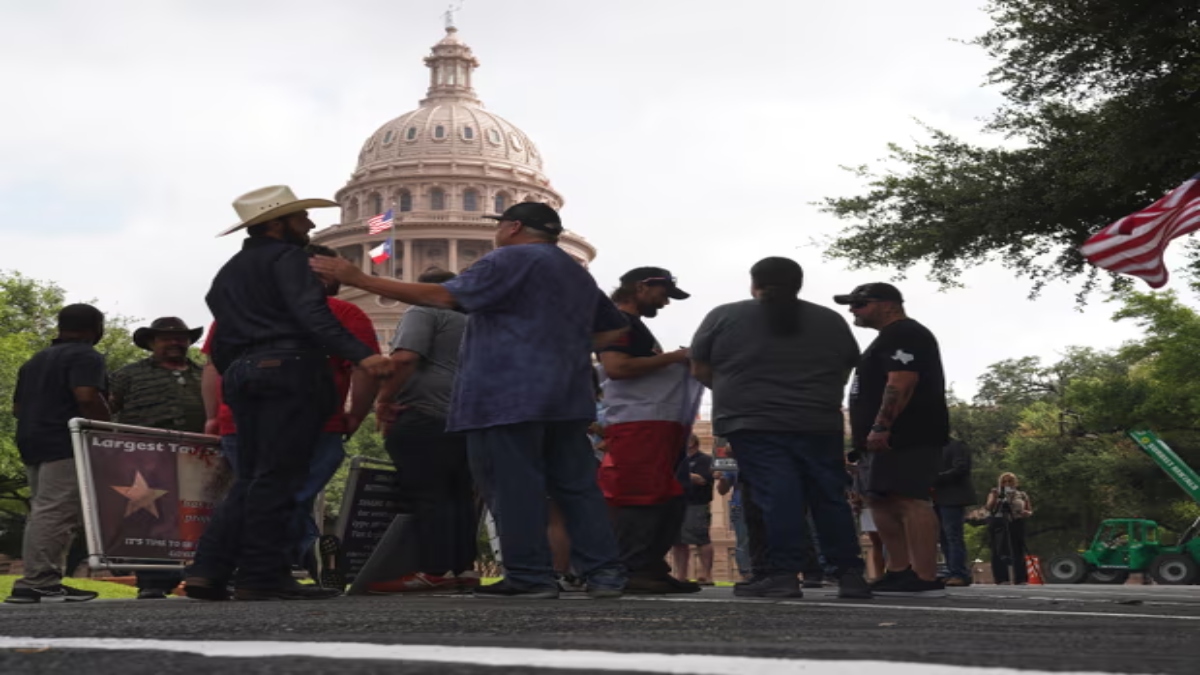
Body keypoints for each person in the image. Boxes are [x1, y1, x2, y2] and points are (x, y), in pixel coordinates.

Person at [311, 201, 628, 599]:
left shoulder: (509, 259)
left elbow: (443, 297)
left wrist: (358, 277)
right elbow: (614, 333)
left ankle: (530, 576)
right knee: (577, 487)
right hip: (566, 395)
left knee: (513, 485)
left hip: (506, 394)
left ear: (513, 227)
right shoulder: (574, 273)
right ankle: (605, 574)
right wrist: (556, 342)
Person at [185, 185, 392, 602]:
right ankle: (261, 575)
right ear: (277, 223)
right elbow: (312, 314)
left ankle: (208, 570)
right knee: (280, 479)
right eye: (301, 218)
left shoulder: (228, 272)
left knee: (254, 478)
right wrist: (361, 356)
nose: (311, 223)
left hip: (243, 375)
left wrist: (243, 370)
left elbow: (221, 343)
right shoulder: (290, 258)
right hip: (290, 371)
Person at [691, 257, 869, 599]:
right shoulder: (830, 320)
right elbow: (847, 368)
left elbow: (699, 368)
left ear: (754, 283)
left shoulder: (724, 316)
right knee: (829, 497)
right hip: (818, 421)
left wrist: (737, 392)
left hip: (752, 422)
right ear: (799, 284)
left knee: (777, 495)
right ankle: (850, 574)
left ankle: (783, 574)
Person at [836, 282, 950, 597]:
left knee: (910, 499)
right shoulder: (884, 339)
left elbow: (902, 380)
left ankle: (925, 574)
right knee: (879, 499)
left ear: (888, 304)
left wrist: (882, 425)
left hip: (909, 433)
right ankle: (899, 569)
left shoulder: (906, 333)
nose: (852, 311)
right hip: (875, 440)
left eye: (859, 304)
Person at [367, 268, 476, 594]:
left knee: (428, 495)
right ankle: (464, 569)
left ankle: (433, 569)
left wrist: (383, 401)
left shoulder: (423, 310)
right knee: (460, 497)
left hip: (425, 413)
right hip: (467, 418)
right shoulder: (475, 321)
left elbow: (405, 359)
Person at [596, 266, 702, 595]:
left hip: (655, 420)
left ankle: (650, 564)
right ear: (642, 288)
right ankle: (632, 567)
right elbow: (617, 367)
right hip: (638, 421)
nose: (665, 303)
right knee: (638, 491)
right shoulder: (618, 322)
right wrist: (675, 357)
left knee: (663, 493)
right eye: (663, 294)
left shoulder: (632, 326)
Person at [6, 304, 109, 604]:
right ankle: (40, 581)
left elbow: (17, 409)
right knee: (57, 511)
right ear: (96, 327)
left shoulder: (35, 361)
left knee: (42, 510)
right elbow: (87, 396)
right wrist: (106, 429)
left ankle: (41, 579)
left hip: (31, 439)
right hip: (65, 440)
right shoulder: (86, 355)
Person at [109, 317, 206, 599]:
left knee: (198, 517)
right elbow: (107, 410)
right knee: (151, 517)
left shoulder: (204, 374)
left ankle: (203, 575)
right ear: (152, 342)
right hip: (145, 457)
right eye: (166, 338)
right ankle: (153, 580)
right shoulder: (128, 374)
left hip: (199, 457)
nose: (175, 342)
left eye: (181, 338)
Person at [672, 435, 715, 585]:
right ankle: (681, 575)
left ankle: (706, 574)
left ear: (691, 442)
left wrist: (680, 475)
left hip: (697, 503)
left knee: (701, 539)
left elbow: (702, 479)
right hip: (677, 503)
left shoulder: (705, 460)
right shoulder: (678, 460)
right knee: (678, 541)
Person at [933, 438, 976, 587]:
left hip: (952, 496)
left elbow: (961, 468)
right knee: (944, 537)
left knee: (953, 536)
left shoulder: (956, 445)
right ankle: (952, 571)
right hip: (936, 497)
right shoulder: (931, 448)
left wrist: (935, 478)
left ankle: (959, 573)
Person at [987, 472, 1033, 585]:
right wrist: (996, 497)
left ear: (1015, 482)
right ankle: (1002, 578)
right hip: (999, 521)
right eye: (1004, 481)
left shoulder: (1022, 494)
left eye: (1010, 481)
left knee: (1018, 549)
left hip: (1016, 521)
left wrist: (1026, 513)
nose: (1007, 483)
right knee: (999, 549)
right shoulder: (995, 492)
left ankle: (1021, 578)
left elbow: (1029, 509)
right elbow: (989, 507)